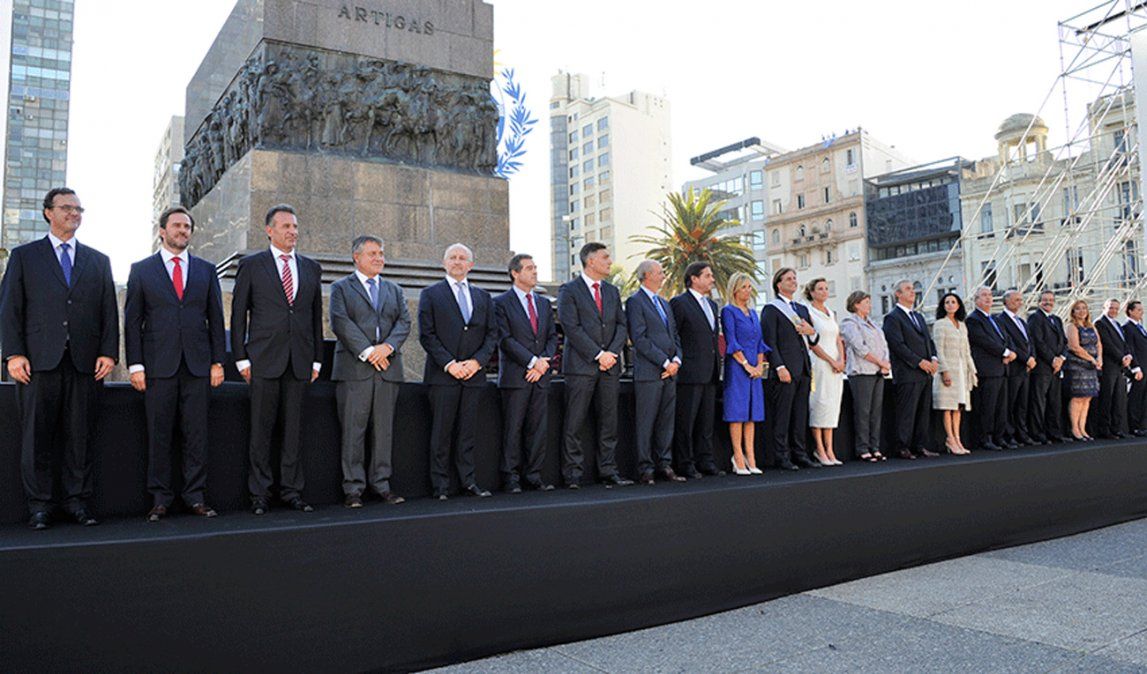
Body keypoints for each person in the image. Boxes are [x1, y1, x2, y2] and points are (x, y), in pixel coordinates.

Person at [0, 187, 118, 529]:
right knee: (36, 437)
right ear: (48, 212)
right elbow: (10, 309)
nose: (74, 214)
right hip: (37, 363)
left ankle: (77, 502)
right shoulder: (25, 257)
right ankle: (40, 506)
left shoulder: (98, 260)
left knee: (79, 437)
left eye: (79, 209)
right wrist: (13, 354)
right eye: (67, 208)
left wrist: (109, 353)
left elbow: (108, 312)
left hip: (84, 364)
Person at [124, 206, 225, 522]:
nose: (183, 231)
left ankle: (195, 496)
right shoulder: (142, 270)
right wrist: (136, 365)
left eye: (188, 226)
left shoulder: (206, 270)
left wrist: (218, 362)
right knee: (159, 434)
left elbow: (216, 318)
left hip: (197, 367)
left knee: (196, 435)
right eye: (177, 225)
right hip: (158, 367)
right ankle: (160, 499)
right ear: (162, 231)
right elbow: (132, 321)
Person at [232, 203, 325, 515]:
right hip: (263, 360)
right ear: (269, 230)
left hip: (299, 362)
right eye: (286, 226)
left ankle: (292, 491)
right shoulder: (252, 265)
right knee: (260, 431)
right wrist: (241, 359)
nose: (292, 232)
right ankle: (259, 494)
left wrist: (316, 361)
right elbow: (238, 314)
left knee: (294, 431)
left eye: (295, 227)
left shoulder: (311, 268)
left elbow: (315, 317)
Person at [329, 235, 410, 508]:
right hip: (355, 369)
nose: (379, 258)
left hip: (388, 369)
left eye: (381, 253)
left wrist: (387, 347)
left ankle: (382, 485)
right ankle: (353, 489)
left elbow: (404, 321)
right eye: (373, 253)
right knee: (353, 431)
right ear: (357, 256)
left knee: (383, 431)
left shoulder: (394, 289)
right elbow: (340, 322)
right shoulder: (341, 288)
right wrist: (368, 351)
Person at [418, 243, 497, 500]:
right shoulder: (431, 294)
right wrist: (450, 364)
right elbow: (427, 335)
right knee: (441, 433)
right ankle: (440, 486)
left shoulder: (484, 297)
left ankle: (468, 482)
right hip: (443, 376)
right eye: (452, 257)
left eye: (463, 258)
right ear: (444, 263)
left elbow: (491, 335)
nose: (457, 262)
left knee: (467, 434)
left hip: (474, 376)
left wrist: (476, 362)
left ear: (470, 265)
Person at [556, 242, 633, 488]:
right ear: (590, 261)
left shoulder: (612, 291)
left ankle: (608, 470)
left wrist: (611, 353)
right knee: (575, 423)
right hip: (581, 367)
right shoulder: (569, 290)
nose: (610, 262)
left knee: (609, 422)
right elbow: (571, 328)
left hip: (610, 368)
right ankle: (573, 475)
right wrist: (598, 354)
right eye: (605, 257)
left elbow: (621, 325)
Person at [494, 253, 558, 493]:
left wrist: (542, 364)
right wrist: (531, 362)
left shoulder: (543, 303)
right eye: (529, 268)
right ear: (515, 273)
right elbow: (505, 339)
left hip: (540, 377)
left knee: (537, 429)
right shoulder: (500, 302)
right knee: (513, 429)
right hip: (515, 377)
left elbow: (552, 336)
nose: (535, 271)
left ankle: (533, 475)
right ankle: (510, 477)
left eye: (535, 267)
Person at [627, 260, 685, 485]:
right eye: (660, 272)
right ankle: (645, 468)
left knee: (666, 421)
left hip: (670, 372)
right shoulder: (635, 301)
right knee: (646, 422)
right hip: (650, 373)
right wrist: (664, 362)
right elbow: (639, 339)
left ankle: (664, 464)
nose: (663, 276)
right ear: (647, 275)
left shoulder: (664, 302)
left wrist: (676, 360)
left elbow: (675, 336)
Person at [760, 267, 820, 470]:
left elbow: (813, 338)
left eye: (795, 278)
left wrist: (811, 332)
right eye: (789, 279)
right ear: (779, 284)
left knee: (800, 415)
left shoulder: (801, 309)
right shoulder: (771, 309)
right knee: (783, 416)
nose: (794, 281)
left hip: (803, 368)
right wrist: (779, 366)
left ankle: (800, 453)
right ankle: (781, 455)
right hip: (785, 370)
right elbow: (770, 342)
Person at [670, 262, 724, 478]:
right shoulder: (679, 303)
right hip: (689, 373)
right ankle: (685, 463)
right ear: (694, 278)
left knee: (706, 422)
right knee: (686, 422)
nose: (712, 279)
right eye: (708, 275)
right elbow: (674, 337)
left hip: (710, 372)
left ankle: (706, 460)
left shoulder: (712, 306)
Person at [882, 280, 939, 460]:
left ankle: (920, 445)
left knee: (923, 412)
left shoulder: (919, 317)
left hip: (926, 373)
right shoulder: (892, 318)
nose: (912, 292)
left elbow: (928, 341)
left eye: (913, 289)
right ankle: (903, 446)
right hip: (908, 373)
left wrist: (934, 359)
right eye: (908, 289)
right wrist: (919, 362)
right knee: (907, 413)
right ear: (898, 294)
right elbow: (898, 345)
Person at [722, 272, 769, 474]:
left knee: (752, 413)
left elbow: (760, 342)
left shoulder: (754, 313)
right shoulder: (728, 311)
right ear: (734, 289)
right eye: (744, 287)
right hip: (737, 368)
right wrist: (746, 365)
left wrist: (758, 366)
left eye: (750, 287)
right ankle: (738, 456)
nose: (748, 291)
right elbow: (731, 342)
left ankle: (751, 456)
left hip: (754, 369)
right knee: (737, 413)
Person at [839, 291, 890, 462]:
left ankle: (875, 447)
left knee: (876, 412)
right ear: (856, 304)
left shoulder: (874, 324)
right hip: (861, 372)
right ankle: (862, 448)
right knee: (863, 412)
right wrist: (880, 362)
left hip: (878, 372)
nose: (869, 305)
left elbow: (884, 345)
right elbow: (859, 347)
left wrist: (885, 363)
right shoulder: (849, 323)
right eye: (866, 302)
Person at [966, 286, 1015, 450]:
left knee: (1001, 406)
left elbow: (1005, 338)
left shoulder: (995, 319)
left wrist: (1008, 353)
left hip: (1002, 368)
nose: (988, 298)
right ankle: (985, 437)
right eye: (984, 295)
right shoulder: (973, 319)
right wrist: (1005, 352)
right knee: (988, 406)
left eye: (990, 295)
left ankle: (999, 436)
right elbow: (983, 341)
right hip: (987, 369)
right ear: (976, 300)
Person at [804, 278, 844, 466]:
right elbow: (812, 343)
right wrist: (830, 360)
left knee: (832, 406)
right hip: (819, 363)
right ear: (811, 292)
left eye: (826, 288)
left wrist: (841, 360)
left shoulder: (831, 313)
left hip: (836, 366)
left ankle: (830, 448)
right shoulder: (809, 312)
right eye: (820, 289)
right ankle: (819, 448)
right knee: (819, 402)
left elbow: (838, 339)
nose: (824, 291)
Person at [931, 292, 976, 455]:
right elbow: (939, 349)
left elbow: (967, 349)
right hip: (949, 369)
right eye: (947, 302)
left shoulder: (962, 325)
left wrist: (972, 369)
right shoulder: (940, 324)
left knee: (959, 406)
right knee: (947, 406)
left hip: (961, 369)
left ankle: (957, 438)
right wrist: (944, 371)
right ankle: (949, 438)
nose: (950, 305)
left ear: (958, 306)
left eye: (953, 302)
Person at [1092, 298, 1139, 439]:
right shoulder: (1100, 323)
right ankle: (1104, 429)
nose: (1114, 310)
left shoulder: (1117, 324)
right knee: (1107, 398)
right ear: (1104, 307)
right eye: (1111, 307)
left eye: (1116, 308)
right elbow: (1107, 343)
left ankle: (1117, 428)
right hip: (1109, 366)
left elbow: (1124, 343)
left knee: (1119, 399)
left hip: (1120, 368)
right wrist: (1122, 358)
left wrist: (1128, 355)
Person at [997, 290, 1038, 446]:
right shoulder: (1001, 320)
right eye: (1015, 300)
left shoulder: (1022, 321)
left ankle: (1022, 433)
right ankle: (1009, 434)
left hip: (1026, 370)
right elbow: (1009, 343)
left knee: (1022, 404)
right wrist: (1026, 359)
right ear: (1006, 301)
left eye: (1020, 300)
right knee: (1011, 404)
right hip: (1013, 368)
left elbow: (1030, 342)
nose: (1019, 303)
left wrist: (1032, 357)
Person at [1027, 290, 1068, 443]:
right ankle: (1038, 433)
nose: (1048, 302)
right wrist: (1052, 359)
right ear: (1039, 302)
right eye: (1045, 300)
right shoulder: (1034, 318)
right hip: (1043, 367)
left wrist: (1062, 358)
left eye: (1051, 300)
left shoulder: (1056, 319)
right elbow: (1038, 341)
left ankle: (1055, 432)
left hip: (1057, 368)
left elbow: (1064, 341)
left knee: (1054, 401)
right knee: (1039, 402)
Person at [1065, 300, 1101, 441]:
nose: (1082, 311)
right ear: (1073, 312)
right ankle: (1075, 428)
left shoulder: (1091, 326)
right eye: (1078, 309)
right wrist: (1091, 359)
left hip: (1091, 368)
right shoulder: (1071, 326)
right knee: (1078, 397)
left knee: (1087, 398)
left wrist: (1099, 358)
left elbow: (1099, 344)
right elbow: (1074, 347)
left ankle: (1083, 428)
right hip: (1078, 366)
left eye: (1084, 308)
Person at [1123, 300, 1147, 437]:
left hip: (1145, 366)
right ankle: (1134, 426)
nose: (1141, 312)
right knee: (1136, 398)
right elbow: (1130, 349)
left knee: (1144, 398)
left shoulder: (1140, 327)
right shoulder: (1128, 327)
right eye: (1138, 309)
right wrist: (1135, 368)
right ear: (1130, 311)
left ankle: (1143, 425)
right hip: (1139, 369)